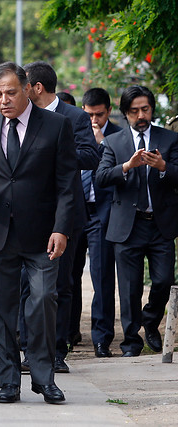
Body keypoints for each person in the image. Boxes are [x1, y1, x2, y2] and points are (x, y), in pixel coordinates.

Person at [0, 62, 75, 404]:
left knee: (44, 300)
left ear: (28, 88)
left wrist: (62, 227)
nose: (3, 100)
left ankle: (44, 378)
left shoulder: (57, 125)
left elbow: (66, 184)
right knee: (1, 310)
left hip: (43, 234)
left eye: (10, 92)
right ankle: (9, 382)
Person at [21, 61, 100, 374]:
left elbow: (91, 156)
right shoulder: (19, 118)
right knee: (28, 284)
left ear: (36, 88)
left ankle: (57, 351)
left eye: (22, 86)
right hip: (27, 213)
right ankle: (29, 348)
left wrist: (50, 153)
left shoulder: (75, 116)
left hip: (65, 213)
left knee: (62, 285)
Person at [96, 85, 178, 357]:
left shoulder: (169, 139)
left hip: (160, 223)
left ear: (152, 110)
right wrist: (127, 167)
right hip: (127, 225)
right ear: (125, 113)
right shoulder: (113, 142)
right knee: (129, 289)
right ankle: (131, 342)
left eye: (145, 109)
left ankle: (151, 322)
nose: (140, 115)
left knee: (163, 280)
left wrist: (163, 167)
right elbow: (101, 178)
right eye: (134, 111)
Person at [71, 88, 122, 358]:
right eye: (89, 114)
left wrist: (102, 143)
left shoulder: (118, 136)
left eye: (99, 115)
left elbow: (119, 173)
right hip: (75, 210)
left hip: (102, 212)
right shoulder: (75, 130)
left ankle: (102, 339)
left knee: (102, 277)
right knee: (69, 275)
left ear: (108, 111)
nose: (94, 120)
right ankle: (68, 333)